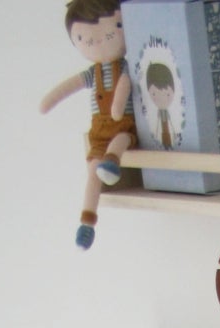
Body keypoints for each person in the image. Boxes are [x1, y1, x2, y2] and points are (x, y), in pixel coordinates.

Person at [39, 1, 136, 251]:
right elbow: (67, 87)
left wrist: (117, 108)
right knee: (92, 173)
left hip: (122, 124)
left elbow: (125, 85)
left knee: (122, 139)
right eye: (84, 39)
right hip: (98, 132)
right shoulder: (92, 74)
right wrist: (48, 102)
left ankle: (112, 161)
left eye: (107, 35)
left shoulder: (126, 68)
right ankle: (87, 223)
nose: (96, 43)